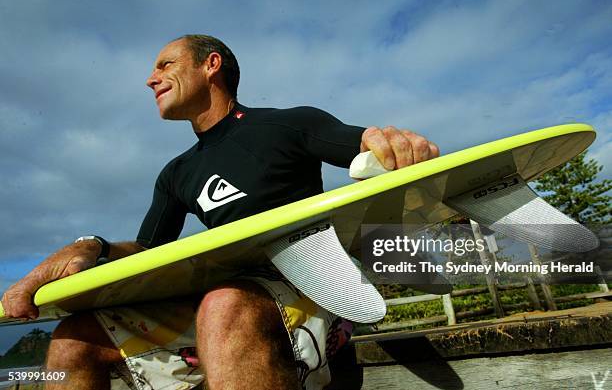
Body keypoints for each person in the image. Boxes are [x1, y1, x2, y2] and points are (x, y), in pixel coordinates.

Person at [1, 35, 439, 390]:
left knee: (224, 304)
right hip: (222, 299)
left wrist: (395, 145)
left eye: (165, 65)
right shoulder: (177, 173)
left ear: (210, 65)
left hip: (308, 283)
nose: (151, 79)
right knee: (73, 341)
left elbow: (366, 146)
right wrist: (90, 248)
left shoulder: (287, 125)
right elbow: (150, 249)